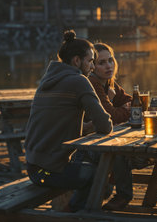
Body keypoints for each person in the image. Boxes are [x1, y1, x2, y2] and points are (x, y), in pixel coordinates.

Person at [24, 30, 113, 212]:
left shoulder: (47, 79)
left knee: (92, 165)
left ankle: (74, 209)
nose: (92, 66)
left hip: (34, 167)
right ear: (76, 61)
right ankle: (75, 214)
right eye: (90, 61)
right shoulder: (79, 81)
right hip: (49, 172)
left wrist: (86, 127)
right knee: (101, 176)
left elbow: (57, 125)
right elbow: (105, 125)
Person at [80, 42, 134, 210]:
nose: (108, 65)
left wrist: (125, 108)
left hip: (100, 140)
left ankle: (110, 183)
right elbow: (111, 116)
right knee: (120, 153)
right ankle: (123, 195)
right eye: (101, 63)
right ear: (92, 66)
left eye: (110, 60)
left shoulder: (109, 83)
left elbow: (133, 103)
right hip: (83, 145)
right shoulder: (93, 83)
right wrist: (125, 109)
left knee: (127, 151)